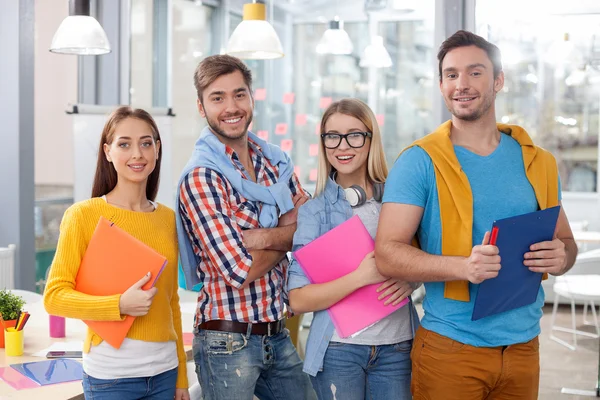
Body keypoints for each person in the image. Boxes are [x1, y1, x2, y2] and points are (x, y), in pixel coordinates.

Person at [375, 30, 578, 400]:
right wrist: (462, 268)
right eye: (451, 75)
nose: (461, 84)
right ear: (440, 85)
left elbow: (566, 244)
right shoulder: (419, 162)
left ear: (498, 80)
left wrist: (562, 256)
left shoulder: (539, 161)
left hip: (524, 348)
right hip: (451, 349)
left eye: (475, 72)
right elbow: (387, 253)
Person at [176, 54, 316, 400]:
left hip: (276, 331)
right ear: (201, 106)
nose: (231, 107)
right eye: (217, 97)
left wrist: (263, 237)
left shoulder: (274, 163)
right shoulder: (201, 177)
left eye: (239, 94)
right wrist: (289, 232)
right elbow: (240, 269)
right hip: (227, 340)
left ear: (252, 97)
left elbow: (312, 229)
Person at [43, 106, 190, 400]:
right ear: (108, 151)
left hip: (164, 373)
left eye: (146, 143)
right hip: (111, 378)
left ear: (157, 150)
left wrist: (182, 378)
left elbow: (170, 301)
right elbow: (55, 296)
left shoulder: (168, 220)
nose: (137, 154)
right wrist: (119, 304)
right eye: (124, 144)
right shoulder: (83, 215)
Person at [287, 98, 419, 400]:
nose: (342, 146)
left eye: (354, 135)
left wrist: (413, 277)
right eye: (332, 136)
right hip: (338, 352)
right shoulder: (314, 212)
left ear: (371, 138)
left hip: (399, 348)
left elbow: (429, 256)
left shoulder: (401, 199)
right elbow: (297, 298)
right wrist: (362, 276)